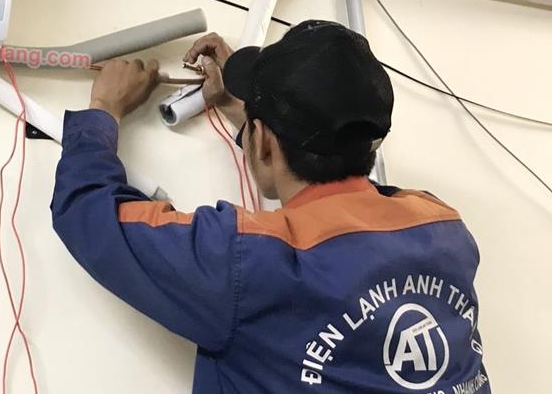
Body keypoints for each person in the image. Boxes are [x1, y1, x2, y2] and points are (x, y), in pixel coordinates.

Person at [51, 20, 489, 393]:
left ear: (262, 142)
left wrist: (104, 107)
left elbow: (88, 211)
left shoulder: (249, 262)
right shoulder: (443, 227)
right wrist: (257, 122)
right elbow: (344, 196)